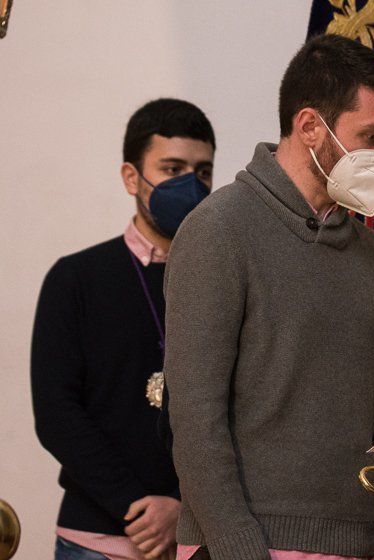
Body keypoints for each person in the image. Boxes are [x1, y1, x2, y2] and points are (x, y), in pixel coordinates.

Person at [164, 34, 374, 560]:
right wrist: (239, 548)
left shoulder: (370, 252)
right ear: (309, 127)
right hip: (250, 545)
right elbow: (195, 415)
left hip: (358, 541)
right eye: (371, 135)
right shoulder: (219, 230)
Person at [31, 98, 216, 560]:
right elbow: (57, 414)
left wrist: (183, 508)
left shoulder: (227, 280)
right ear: (131, 176)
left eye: (203, 172)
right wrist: (138, 508)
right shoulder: (75, 279)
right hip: (95, 539)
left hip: (201, 537)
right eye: (171, 168)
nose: (189, 184)